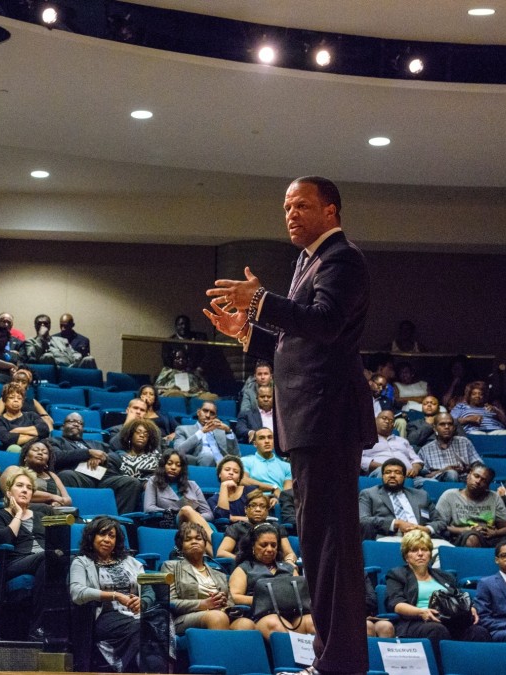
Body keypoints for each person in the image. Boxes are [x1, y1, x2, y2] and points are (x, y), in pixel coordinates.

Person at [205, 176, 376, 675]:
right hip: (311, 420)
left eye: (302, 205)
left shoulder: (342, 258)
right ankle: (332, 659)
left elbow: (324, 324)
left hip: (328, 418)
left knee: (332, 547)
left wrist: (259, 301)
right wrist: (247, 331)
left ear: (332, 211)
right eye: (286, 206)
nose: (291, 214)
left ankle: (338, 664)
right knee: (320, 543)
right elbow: (296, 343)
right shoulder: (309, 261)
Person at [69, 516, 162, 673]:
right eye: (102, 534)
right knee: (142, 628)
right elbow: (77, 592)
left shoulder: (131, 562)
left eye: (111, 536)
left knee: (162, 623)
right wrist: (115, 595)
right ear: (92, 537)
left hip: (136, 613)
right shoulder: (82, 562)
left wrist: (142, 602)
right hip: (105, 616)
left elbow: (147, 591)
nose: (107, 540)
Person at [385, 529, 490, 657]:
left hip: (450, 621)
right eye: (414, 550)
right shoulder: (397, 574)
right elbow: (396, 604)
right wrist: (421, 612)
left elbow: (460, 597)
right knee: (437, 630)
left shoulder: (444, 576)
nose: (420, 554)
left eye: (424, 550)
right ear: (406, 556)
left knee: (478, 632)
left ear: (430, 554)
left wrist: (471, 608)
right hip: (417, 622)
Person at [161, 522, 256, 634]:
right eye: (188, 539)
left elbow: (231, 603)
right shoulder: (171, 567)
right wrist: (203, 604)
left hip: (221, 613)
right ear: (181, 546)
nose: (194, 542)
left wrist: (224, 602)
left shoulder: (219, 574)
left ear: (205, 544)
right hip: (184, 618)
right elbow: (169, 602)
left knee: (246, 624)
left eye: (198, 538)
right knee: (217, 617)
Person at [0, 468, 48, 638]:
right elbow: (3, 538)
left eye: (29, 488)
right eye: (20, 486)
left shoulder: (42, 514)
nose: (25, 490)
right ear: (9, 492)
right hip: (15, 563)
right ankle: (37, 626)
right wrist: (18, 514)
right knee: (48, 557)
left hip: (44, 561)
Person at [228, 522, 313, 641]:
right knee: (276, 624)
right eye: (264, 545)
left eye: (273, 545)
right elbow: (234, 597)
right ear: (253, 546)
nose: (269, 549)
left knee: (311, 622)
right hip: (261, 615)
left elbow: (300, 594)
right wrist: (268, 600)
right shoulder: (244, 568)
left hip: (293, 613)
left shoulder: (288, 568)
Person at [50, 411, 143, 516]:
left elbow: (115, 455)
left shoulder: (95, 443)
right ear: (63, 426)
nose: (76, 424)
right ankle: (75, 517)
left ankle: (117, 520)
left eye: (80, 423)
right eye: (72, 421)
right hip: (79, 476)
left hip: (103, 477)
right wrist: (88, 453)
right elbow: (56, 457)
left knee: (131, 482)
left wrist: (101, 458)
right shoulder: (56, 441)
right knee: (66, 475)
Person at [358, 458, 449, 546]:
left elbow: (440, 521)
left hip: (422, 539)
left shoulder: (421, 495)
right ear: (382, 476)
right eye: (388, 472)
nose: (392, 475)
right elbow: (363, 520)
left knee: (447, 549)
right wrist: (396, 523)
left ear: (404, 477)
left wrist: (426, 529)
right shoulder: (369, 494)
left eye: (397, 472)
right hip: (390, 538)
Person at [143, 449, 213, 546]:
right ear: (163, 465)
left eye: (178, 465)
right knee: (186, 510)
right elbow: (148, 508)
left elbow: (208, 513)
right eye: (169, 463)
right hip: (171, 522)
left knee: (196, 527)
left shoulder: (192, 485)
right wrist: (177, 512)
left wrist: (192, 516)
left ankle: (216, 554)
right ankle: (217, 543)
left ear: (182, 468)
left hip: (194, 525)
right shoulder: (154, 481)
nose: (173, 467)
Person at [435, 461, 506, 547]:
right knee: (472, 538)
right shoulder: (449, 495)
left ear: (487, 485)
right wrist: (464, 530)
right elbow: (438, 526)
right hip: (458, 538)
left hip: (488, 539)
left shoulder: (494, 497)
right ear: (468, 475)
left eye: (484, 480)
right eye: (476, 476)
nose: (478, 481)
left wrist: (494, 533)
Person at [214, 489, 297, 565]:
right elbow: (222, 552)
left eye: (262, 506)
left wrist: (289, 560)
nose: (258, 509)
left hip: (274, 567)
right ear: (246, 509)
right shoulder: (236, 528)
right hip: (246, 569)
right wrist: (244, 562)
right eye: (253, 505)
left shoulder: (276, 527)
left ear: (267, 511)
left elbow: (289, 553)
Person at [362, 410, 430, 486]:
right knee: (384, 473)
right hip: (382, 473)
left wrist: (415, 469)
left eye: (391, 420)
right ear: (375, 420)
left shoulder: (402, 441)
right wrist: (387, 467)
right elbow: (359, 460)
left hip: (408, 475)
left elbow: (416, 459)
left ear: (393, 425)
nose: (387, 421)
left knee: (433, 483)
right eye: (384, 418)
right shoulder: (365, 440)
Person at [0, 438, 71, 509]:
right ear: (25, 456)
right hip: (23, 510)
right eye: (35, 450)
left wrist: (57, 503)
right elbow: (14, 493)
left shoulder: (52, 475)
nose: (40, 453)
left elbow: (68, 499)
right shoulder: (14, 470)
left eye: (45, 452)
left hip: (54, 513)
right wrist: (52, 497)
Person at [417, 412, 481, 482]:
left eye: (450, 424)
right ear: (435, 428)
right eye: (442, 424)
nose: (447, 427)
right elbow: (425, 476)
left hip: (465, 481)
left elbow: (478, 464)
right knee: (452, 473)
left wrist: (470, 468)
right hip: (440, 484)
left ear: (454, 427)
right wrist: (445, 470)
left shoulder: (464, 442)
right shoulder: (425, 450)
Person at [172, 400, 239, 466]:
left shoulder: (222, 432)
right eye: (205, 411)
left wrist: (228, 432)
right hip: (201, 461)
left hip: (223, 465)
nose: (208, 415)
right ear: (198, 412)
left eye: (212, 413)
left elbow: (235, 455)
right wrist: (201, 432)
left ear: (215, 417)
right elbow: (178, 451)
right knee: (208, 456)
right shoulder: (183, 429)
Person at [22, 314, 96, 368]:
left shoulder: (61, 340)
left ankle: (95, 388)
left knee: (89, 359)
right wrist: (40, 337)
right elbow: (33, 357)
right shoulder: (30, 341)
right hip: (55, 369)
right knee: (47, 356)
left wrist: (77, 357)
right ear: (35, 326)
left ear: (49, 326)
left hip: (71, 367)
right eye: (39, 323)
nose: (42, 325)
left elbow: (73, 352)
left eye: (45, 323)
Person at [0, 382, 50, 448]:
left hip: (36, 448)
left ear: (22, 402)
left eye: (19, 398)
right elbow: (7, 438)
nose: (16, 400)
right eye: (11, 397)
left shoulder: (31, 415)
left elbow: (44, 429)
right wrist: (37, 436)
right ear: (4, 401)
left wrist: (17, 430)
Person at [240, 427, 292, 500]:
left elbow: (287, 493)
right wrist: (272, 488)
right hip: (254, 501)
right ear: (255, 444)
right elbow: (242, 480)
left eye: (270, 438)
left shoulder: (286, 466)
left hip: (278, 503)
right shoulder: (244, 461)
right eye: (262, 438)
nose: (267, 441)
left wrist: (277, 499)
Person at [115, 417, 163, 482]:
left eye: (146, 434)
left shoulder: (156, 457)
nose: (142, 435)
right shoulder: (119, 457)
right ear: (130, 435)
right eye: (138, 432)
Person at [208, 455, 251, 522]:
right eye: (227, 470)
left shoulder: (249, 491)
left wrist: (232, 518)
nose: (231, 473)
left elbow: (259, 516)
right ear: (220, 474)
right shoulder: (213, 500)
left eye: (236, 471)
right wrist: (224, 486)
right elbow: (223, 519)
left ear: (239, 478)